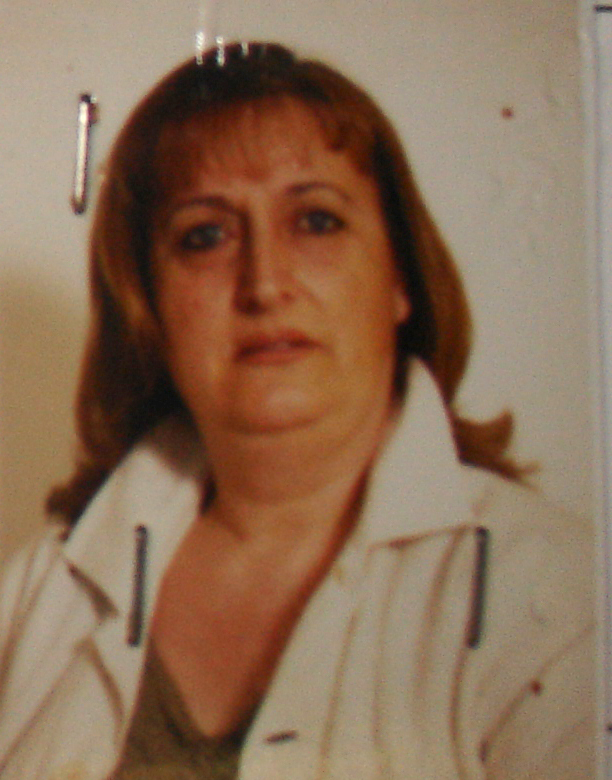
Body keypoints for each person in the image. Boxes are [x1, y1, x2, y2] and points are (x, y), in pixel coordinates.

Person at [0, 42, 595, 780]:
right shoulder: (40, 590)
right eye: (205, 236)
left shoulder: (558, 597)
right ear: (148, 306)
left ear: (400, 278)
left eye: (316, 221)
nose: (265, 283)